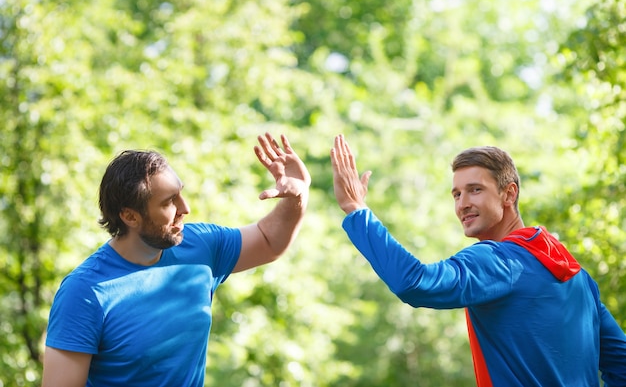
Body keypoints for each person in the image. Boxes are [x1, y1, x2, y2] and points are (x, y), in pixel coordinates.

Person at [330, 134, 626, 386]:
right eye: (456, 194)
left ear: (509, 194)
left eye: (475, 190)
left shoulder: (497, 261)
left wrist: (357, 210)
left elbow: (414, 282)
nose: (462, 204)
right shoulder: (579, 279)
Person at [42, 133, 310, 387]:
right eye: (169, 202)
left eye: (180, 193)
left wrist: (298, 196)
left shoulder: (200, 245)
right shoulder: (84, 292)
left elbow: (268, 240)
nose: (185, 208)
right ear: (130, 216)